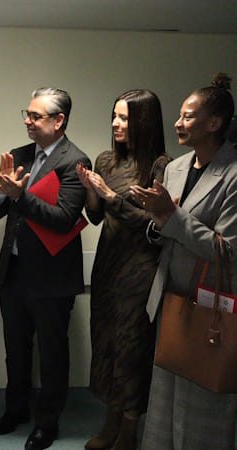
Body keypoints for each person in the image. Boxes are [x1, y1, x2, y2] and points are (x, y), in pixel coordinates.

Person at [132, 73, 237, 449]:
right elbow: (163, 227)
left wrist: (171, 217)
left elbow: (227, 251)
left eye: (188, 117)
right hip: (170, 297)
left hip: (210, 305)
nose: (178, 123)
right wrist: (157, 221)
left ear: (215, 123)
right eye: (179, 115)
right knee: (164, 399)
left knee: (203, 400)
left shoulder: (233, 174)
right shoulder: (175, 168)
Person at [0, 88, 91, 450]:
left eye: (36, 116)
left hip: (51, 278)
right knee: (15, 349)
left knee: (52, 354)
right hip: (14, 271)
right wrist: (3, 191)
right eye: (27, 114)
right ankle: (15, 409)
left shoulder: (74, 161)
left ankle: (47, 423)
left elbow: (63, 219)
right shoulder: (19, 155)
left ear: (59, 120)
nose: (28, 122)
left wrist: (20, 196)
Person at [76, 90, 170, 450]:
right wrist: (91, 190)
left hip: (140, 270)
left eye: (125, 118)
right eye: (114, 116)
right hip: (107, 266)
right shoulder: (106, 160)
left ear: (144, 121)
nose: (116, 123)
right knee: (106, 344)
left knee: (132, 349)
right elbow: (96, 216)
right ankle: (110, 419)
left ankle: (130, 425)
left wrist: (111, 196)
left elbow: (155, 224)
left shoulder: (160, 166)